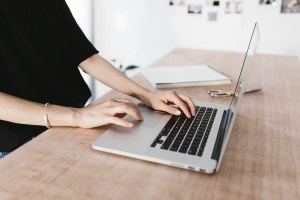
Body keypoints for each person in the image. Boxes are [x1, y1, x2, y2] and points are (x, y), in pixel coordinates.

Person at [0, 0, 195, 157]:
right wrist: (77, 116)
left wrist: (146, 95)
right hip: (16, 144)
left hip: (68, 125)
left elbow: (87, 57)